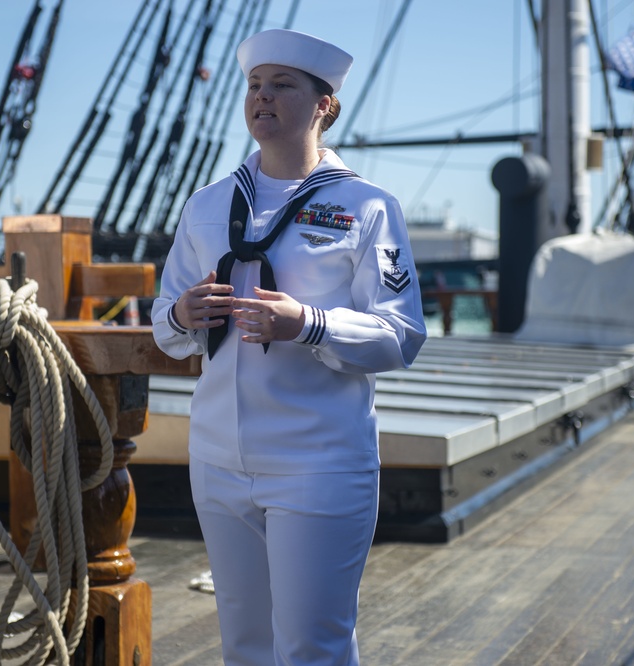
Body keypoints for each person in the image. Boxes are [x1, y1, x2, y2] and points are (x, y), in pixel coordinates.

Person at [152, 28, 427, 665]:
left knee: (312, 649)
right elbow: (166, 330)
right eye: (254, 85)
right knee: (245, 647)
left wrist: (309, 323)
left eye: (282, 85)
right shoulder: (205, 207)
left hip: (318, 465)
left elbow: (401, 334)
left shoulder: (368, 208)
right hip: (218, 462)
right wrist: (183, 313)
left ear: (324, 106)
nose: (263, 97)